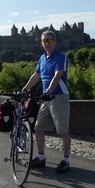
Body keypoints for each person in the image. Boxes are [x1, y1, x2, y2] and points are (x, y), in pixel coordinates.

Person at [22, 30, 71, 173]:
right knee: (38, 128)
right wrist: (24, 89)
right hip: (46, 98)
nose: (47, 43)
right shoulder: (42, 58)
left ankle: (66, 160)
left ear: (55, 41)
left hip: (59, 96)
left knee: (63, 130)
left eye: (49, 41)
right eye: (44, 41)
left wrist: (48, 92)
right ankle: (41, 157)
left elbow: (58, 76)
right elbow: (36, 75)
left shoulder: (61, 56)